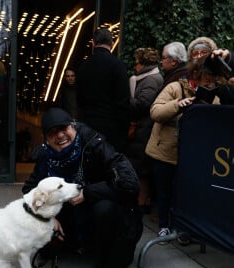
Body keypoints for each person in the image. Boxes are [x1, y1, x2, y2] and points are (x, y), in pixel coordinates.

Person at [22, 107, 143, 268]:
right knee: (38, 204)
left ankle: (104, 265)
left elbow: (130, 184)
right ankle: (55, 247)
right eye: (53, 133)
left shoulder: (95, 144)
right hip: (73, 215)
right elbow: (29, 191)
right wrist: (49, 217)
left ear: (73, 127)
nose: (60, 135)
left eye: (64, 128)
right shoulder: (46, 155)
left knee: (104, 208)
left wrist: (87, 192)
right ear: (46, 139)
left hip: (106, 211)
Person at [145, 55, 221, 243]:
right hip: (165, 152)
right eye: (206, 80)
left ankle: (182, 229)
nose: (210, 84)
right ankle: (164, 226)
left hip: (191, 155)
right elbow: (155, 112)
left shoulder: (215, 97)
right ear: (196, 75)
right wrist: (177, 105)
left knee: (185, 194)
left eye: (213, 81)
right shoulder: (175, 88)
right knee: (164, 192)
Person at [77, 28, 130, 153]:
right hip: (112, 130)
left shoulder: (83, 66)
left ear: (93, 44)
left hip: (88, 126)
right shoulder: (118, 65)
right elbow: (123, 101)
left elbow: (79, 100)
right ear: (112, 44)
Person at [126, 48, 163, 214]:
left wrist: (125, 100)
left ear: (144, 64)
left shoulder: (151, 80)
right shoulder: (147, 78)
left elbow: (142, 104)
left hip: (144, 129)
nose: (135, 67)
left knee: (142, 170)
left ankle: (141, 203)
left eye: (137, 63)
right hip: (141, 129)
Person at [188, 37, 234, 105]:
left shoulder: (224, 84)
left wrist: (229, 59)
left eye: (204, 53)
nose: (199, 56)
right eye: (195, 53)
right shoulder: (181, 78)